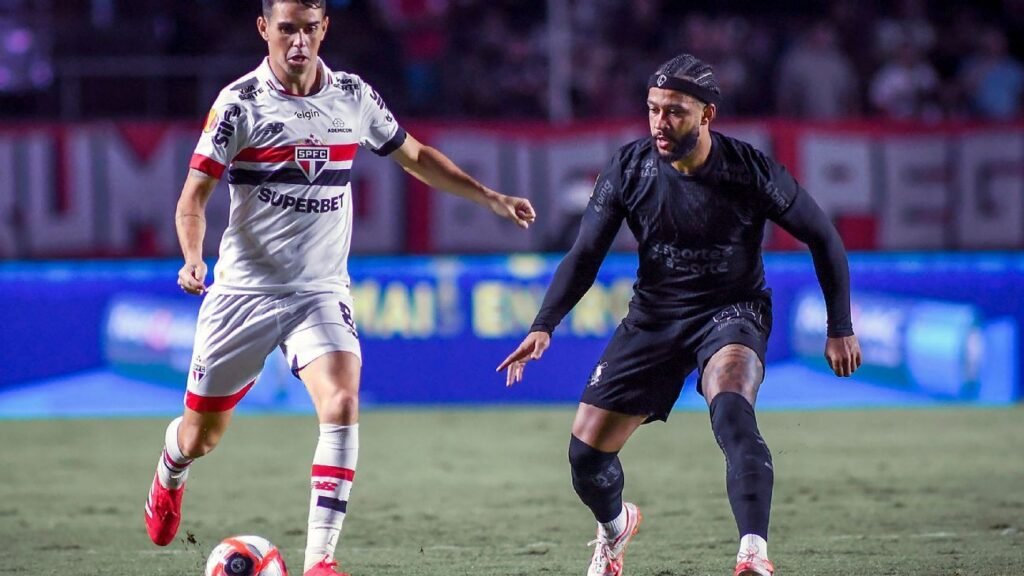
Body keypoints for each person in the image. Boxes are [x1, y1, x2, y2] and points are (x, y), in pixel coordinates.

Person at [142, 2, 536, 576]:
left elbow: (418, 157)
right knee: (201, 437)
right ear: (264, 30)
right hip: (242, 294)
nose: (298, 41)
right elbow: (193, 198)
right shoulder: (239, 104)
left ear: (324, 28)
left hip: (318, 291)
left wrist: (490, 197)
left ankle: (320, 561)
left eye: (309, 28)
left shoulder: (353, 95)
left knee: (342, 401)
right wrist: (192, 258)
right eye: (286, 29)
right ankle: (170, 471)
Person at [498, 53, 861, 576]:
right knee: (585, 458)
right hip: (655, 316)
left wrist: (840, 326)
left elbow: (824, 237)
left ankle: (753, 554)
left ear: (707, 115)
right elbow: (584, 256)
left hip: (731, 310)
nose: (659, 124)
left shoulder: (750, 170)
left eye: (674, 112)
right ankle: (615, 527)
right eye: (652, 110)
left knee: (733, 410)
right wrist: (542, 325)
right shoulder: (629, 168)